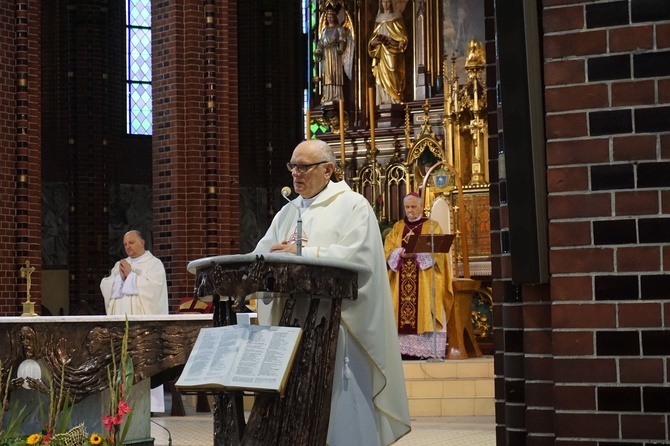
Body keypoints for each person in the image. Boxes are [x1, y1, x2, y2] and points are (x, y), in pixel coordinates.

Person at [253, 139, 411, 445]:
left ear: (328, 170)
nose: (296, 174)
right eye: (292, 166)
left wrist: (304, 253)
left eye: (303, 167)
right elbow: (262, 253)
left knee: (342, 408)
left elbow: (358, 259)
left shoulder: (352, 206)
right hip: (293, 327)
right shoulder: (287, 212)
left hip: (338, 326)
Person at [100, 229, 168, 412]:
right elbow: (106, 284)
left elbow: (154, 290)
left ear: (142, 242)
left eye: (131, 242)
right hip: (122, 324)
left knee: (144, 360)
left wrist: (131, 277)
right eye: (125, 244)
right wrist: (119, 280)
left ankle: (149, 405)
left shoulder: (154, 264)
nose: (128, 246)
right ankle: (122, 403)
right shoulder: (120, 265)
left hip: (144, 327)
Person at [384, 193, 454, 359]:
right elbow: (387, 249)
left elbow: (438, 252)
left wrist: (416, 255)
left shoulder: (432, 226)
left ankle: (426, 352)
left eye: (413, 207)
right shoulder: (398, 227)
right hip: (401, 279)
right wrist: (400, 253)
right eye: (407, 207)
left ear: (422, 207)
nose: (410, 210)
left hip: (424, 280)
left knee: (425, 310)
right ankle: (402, 352)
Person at [368, 0, 408, 105]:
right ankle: (383, 99)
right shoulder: (378, 19)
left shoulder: (396, 18)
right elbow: (372, 39)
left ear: (391, 3)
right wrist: (373, 43)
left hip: (393, 51)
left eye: (387, 2)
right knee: (381, 76)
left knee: (393, 70)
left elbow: (403, 36)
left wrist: (401, 42)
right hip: (381, 52)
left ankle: (395, 98)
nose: (385, 4)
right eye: (383, 2)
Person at [314, 8, 351, 104]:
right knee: (327, 76)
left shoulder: (339, 29)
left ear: (334, 18)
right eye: (328, 17)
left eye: (331, 17)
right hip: (326, 55)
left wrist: (340, 47)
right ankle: (328, 96)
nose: (329, 19)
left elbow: (343, 40)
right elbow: (320, 43)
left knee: (335, 75)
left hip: (335, 54)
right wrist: (318, 51)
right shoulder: (324, 30)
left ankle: (336, 95)